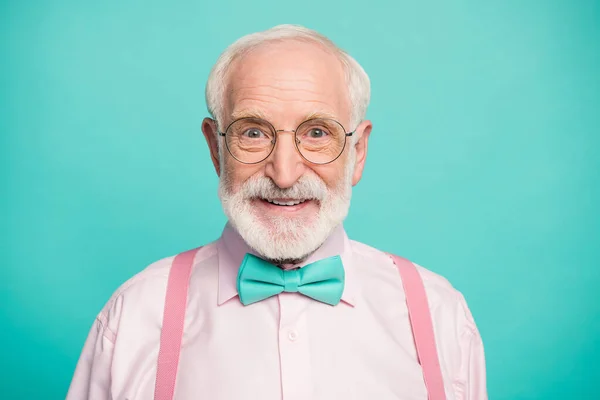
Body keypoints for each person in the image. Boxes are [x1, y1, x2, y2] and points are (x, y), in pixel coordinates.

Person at [67, 24, 487, 400]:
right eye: (253, 132)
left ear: (358, 152)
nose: (284, 174)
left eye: (317, 133)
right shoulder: (135, 317)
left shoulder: (439, 314)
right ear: (216, 149)